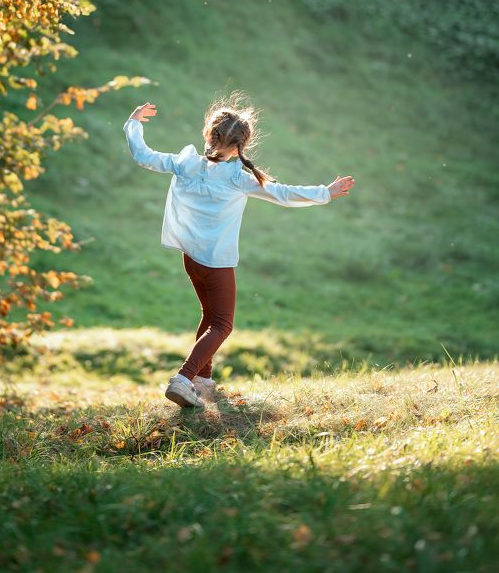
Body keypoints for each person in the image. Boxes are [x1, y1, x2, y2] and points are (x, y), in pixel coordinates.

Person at [123, 90, 355, 409]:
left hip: (191, 258)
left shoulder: (185, 163)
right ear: (240, 145)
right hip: (216, 262)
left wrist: (133, 123)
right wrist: (324, 192)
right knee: (223, 324)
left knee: (210, 316)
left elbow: (143, 155)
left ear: (209, 134)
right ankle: (183, 379)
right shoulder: (237, 179)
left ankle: (202, 381)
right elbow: (283, 194)